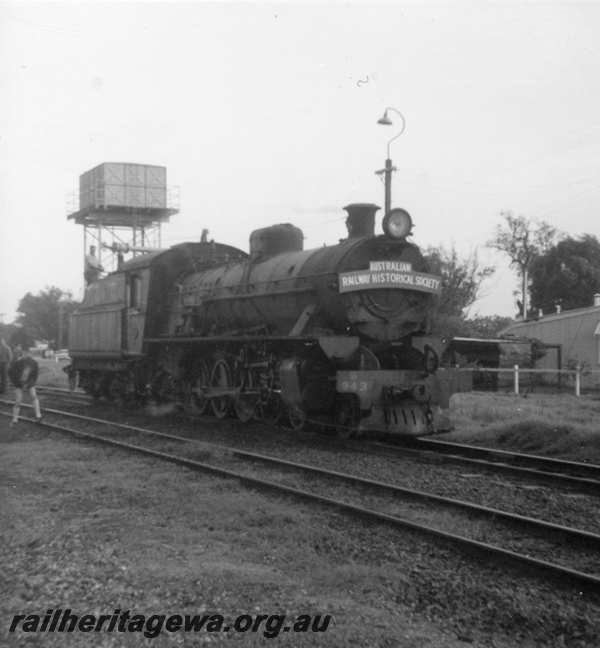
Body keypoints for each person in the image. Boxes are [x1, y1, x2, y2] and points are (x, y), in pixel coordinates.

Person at [8, 346, 42, 425]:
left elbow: (35, 376)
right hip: (18, 385)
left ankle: (38, 415)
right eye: (25, 354)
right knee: (18, 401)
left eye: (28, 353)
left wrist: (28, 384)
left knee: (34, 396)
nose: (26, 355)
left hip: (29, 383)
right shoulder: (15, 363)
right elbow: (11, 374)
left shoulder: (34, 363)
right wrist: (18, 384)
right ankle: (15, 419)